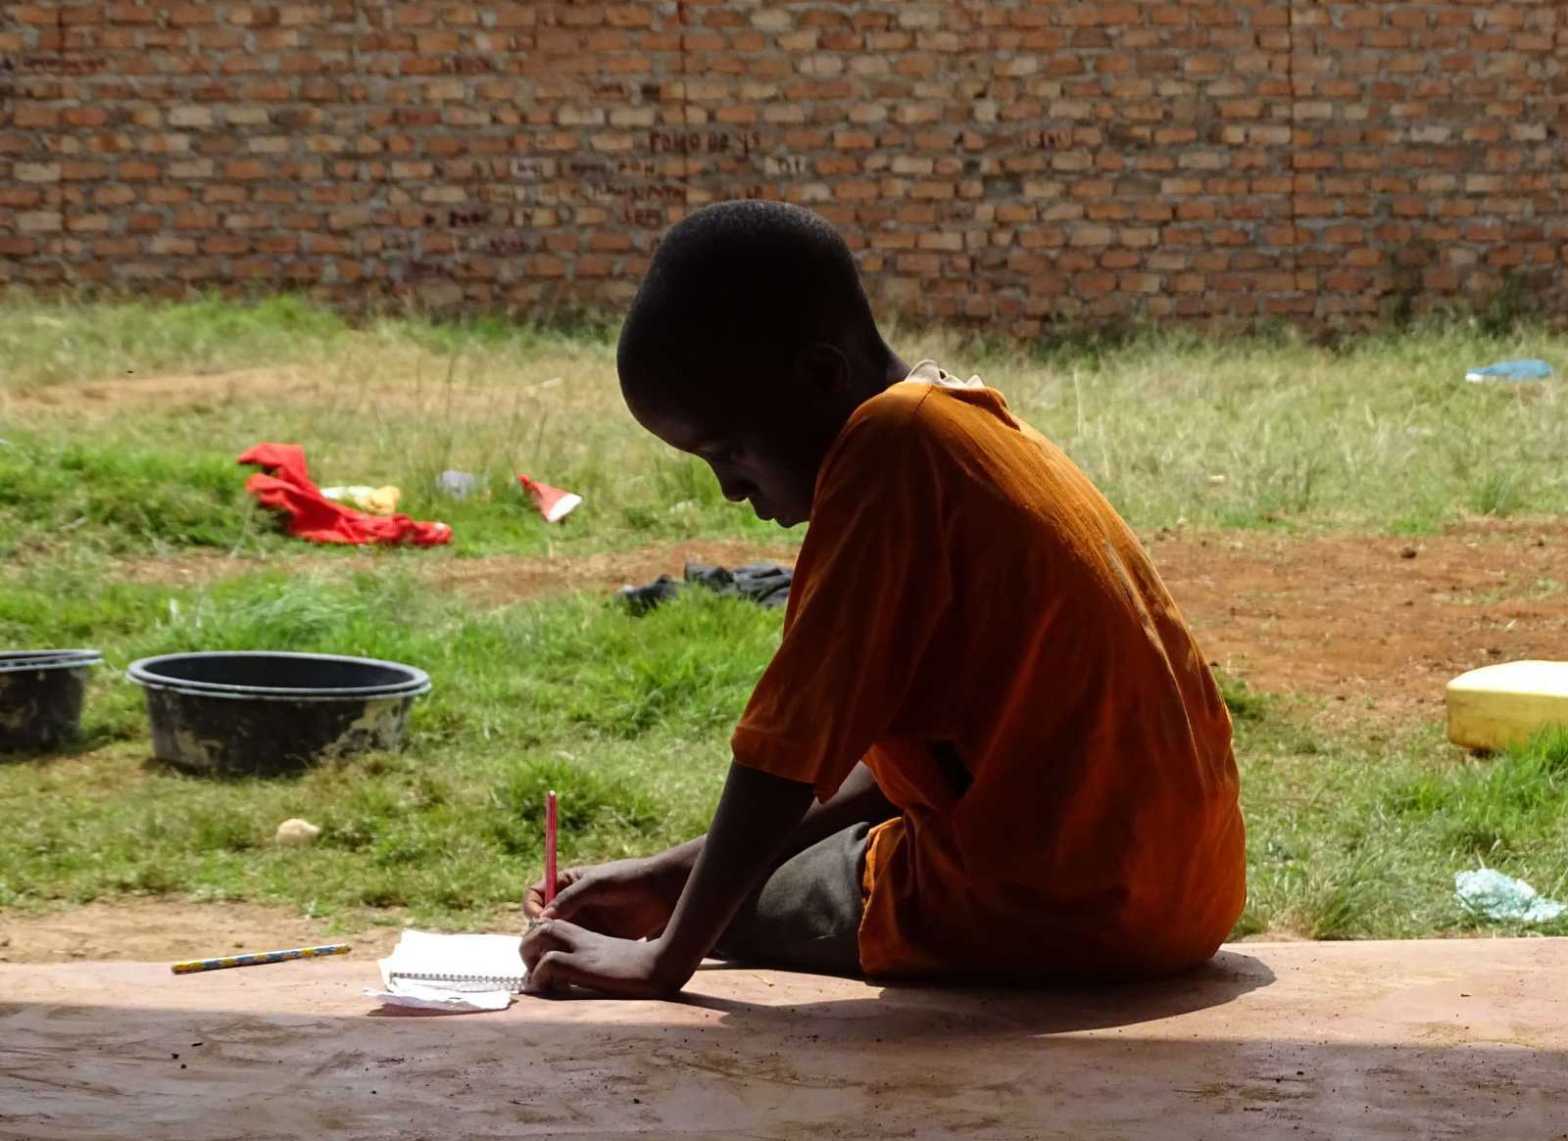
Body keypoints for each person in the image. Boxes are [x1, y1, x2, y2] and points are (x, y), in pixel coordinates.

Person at [520, 200, 1245, 997]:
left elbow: (785, 759)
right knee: (737, 874)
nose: (729, 488)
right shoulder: (965, 426)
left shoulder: (886, 450)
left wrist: (665, 953)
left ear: (821, 378)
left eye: (731, 451)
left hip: (1059, 905)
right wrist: (664, 871)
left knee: (747, 898)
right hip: (1184, 890)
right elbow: (894, 774)